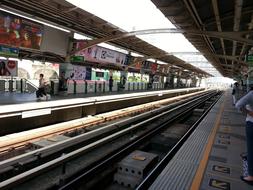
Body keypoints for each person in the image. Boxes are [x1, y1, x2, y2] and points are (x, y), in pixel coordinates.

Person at [235, 87, 253, 185]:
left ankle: (251, 176)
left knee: (251, 150)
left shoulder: (252, 94)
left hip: (251, 124)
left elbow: (238, 105)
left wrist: (250, 113)